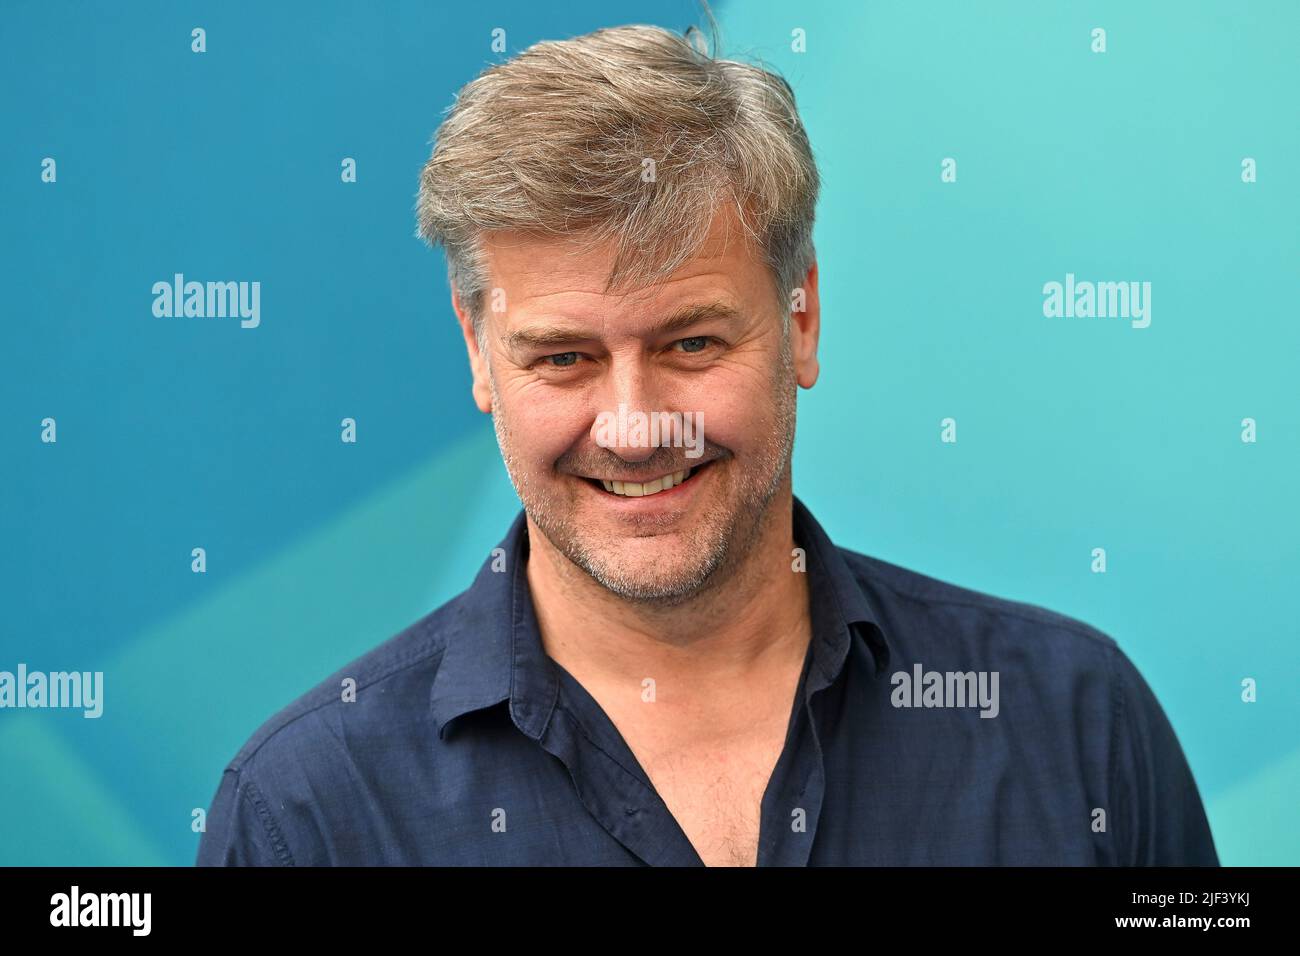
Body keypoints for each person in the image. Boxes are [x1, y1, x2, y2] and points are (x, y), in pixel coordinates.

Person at [197, 23, 1217, 867]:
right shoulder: (308, 813)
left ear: (801, 315)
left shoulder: (1076, 723)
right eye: (562, 358)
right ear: (477, 348)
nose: (635, 426)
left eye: (690, 342)